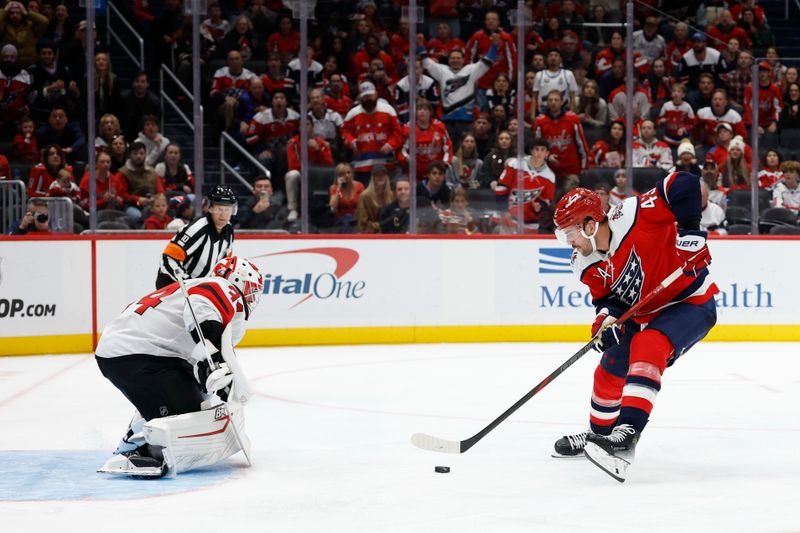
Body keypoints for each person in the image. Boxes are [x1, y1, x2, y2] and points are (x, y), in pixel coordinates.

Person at [550, 176, 717, 481]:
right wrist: (606, 322)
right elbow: (608, 300)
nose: (569, 243)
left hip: (690, 302)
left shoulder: (633, 214)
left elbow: (684, 182)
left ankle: (626, 436)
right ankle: (598, 437)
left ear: (589, 225)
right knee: (609, 369)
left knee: (648, 345)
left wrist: (691, 232)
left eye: (570, 233)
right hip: (644, 314)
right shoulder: (583, 262)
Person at [95, 255, 263, 476]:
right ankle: (140, 452)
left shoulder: (196, 285)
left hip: (133, 350)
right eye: (251, 290)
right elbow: (202, 306)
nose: (252, 298)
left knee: (200, 397)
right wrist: (211, 354)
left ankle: (136, 436)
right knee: (187, 417)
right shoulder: (221, 287)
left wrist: (210, 367)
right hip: (136, 353)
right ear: (238, 280)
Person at [156, 185, 237, 288]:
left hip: (198, 289)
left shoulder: (228, 229)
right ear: (210, 208)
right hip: (172, 286)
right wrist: (188, 284)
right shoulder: (198, 228)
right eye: (219, 209)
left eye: (227, 209)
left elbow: (224, 262)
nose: (223, 214)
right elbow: (168, 258)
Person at [341, 81, 404, 183]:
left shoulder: (388, 110)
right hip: (361, 165)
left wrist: (390, 145)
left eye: (370, 96)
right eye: (365, 97)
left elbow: (398, 132)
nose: (368, 99)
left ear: (376, 94)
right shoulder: (353, 114)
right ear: (360, 98)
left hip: (386, 164)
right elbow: (345, 132)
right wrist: (351, 141)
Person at [533, 89, 589, 193]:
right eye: (550, 100)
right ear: (547, 102)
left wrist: (584, 166)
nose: (553, 102)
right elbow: (536, 147)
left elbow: (581, 143)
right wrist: (547, 156)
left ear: (562, 101)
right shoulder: (540, 121)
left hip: (571, 170)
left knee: (570, 202)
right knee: (551, 204)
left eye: (556, 100)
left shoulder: (572, 119)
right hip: (548, 170)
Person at [495, 138, 556, 231]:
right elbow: (501, 188)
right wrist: (503, 210)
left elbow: (546, 202)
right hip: (508, 218)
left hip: (530, 224)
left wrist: (538, 209)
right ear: (531, 151)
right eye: (536, 149)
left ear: (547, 153)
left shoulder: (550, 177)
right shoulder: (515, 164)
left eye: (542, 150)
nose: (539, 153)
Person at [355, 165, 393, 233]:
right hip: (371, 232)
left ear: (386, 177)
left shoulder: (391, 194)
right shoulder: (365, 196)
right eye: (377, 175)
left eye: (383, 175)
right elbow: (363, 220)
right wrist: (377, 226)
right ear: (373, 178)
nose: (380, 177)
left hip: (389, 230)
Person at [328, 162, 364, 227]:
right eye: (343, 174)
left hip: (357, 219)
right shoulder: (334, 188)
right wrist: (339, 188)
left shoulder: (359, 186)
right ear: (338, 176)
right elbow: (333, 209)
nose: (347, 175)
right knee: (348, 217)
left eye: (348, 173)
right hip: (341, 221)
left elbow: (364, 206)